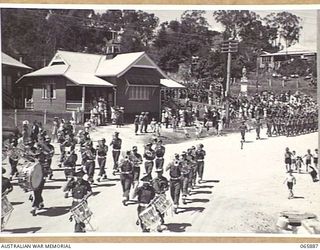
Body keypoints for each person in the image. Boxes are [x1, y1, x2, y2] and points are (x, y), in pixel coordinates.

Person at [64, 167, 92, 233]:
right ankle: (79, 230)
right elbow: (64, 189)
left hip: (82, 203)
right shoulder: (73, 183)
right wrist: (68, 181)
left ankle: (79, 230)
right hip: (75, 203)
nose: (78, 177)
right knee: (77, 219)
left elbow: (90, 192)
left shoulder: (86, 183)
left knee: (81, 219)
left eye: (80, 175)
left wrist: (86, 197)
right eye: (77, 175)